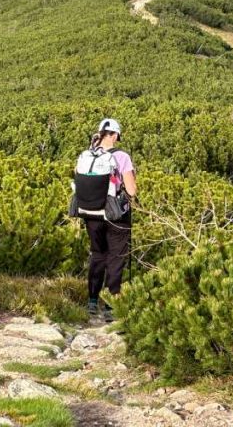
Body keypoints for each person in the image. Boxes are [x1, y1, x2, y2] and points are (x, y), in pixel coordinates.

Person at [73, 118, 137, 321]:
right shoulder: (122, 157)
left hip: (90, 212)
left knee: (98, 254)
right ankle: (111, 306)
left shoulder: (87, 155)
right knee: (116, 256)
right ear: (115, 135)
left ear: (100, 133)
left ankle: (92, 302)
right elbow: (132, 190)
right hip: (115, 214)